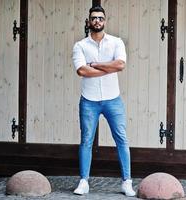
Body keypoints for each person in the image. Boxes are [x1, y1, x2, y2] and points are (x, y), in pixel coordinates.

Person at [72, 6, 136, 197]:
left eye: (100, 18)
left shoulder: (116, 42)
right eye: (94, 18)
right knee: (86, 140)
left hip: (113, 100)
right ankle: (84, 181)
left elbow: (121, 64)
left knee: (121, 139)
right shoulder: (80, 46)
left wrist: (96, 65)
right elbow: (82, 71)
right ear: (88, 21)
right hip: (89, 101)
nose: (97, 21)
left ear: (105, 21)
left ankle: (127, 182)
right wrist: (109, 67)